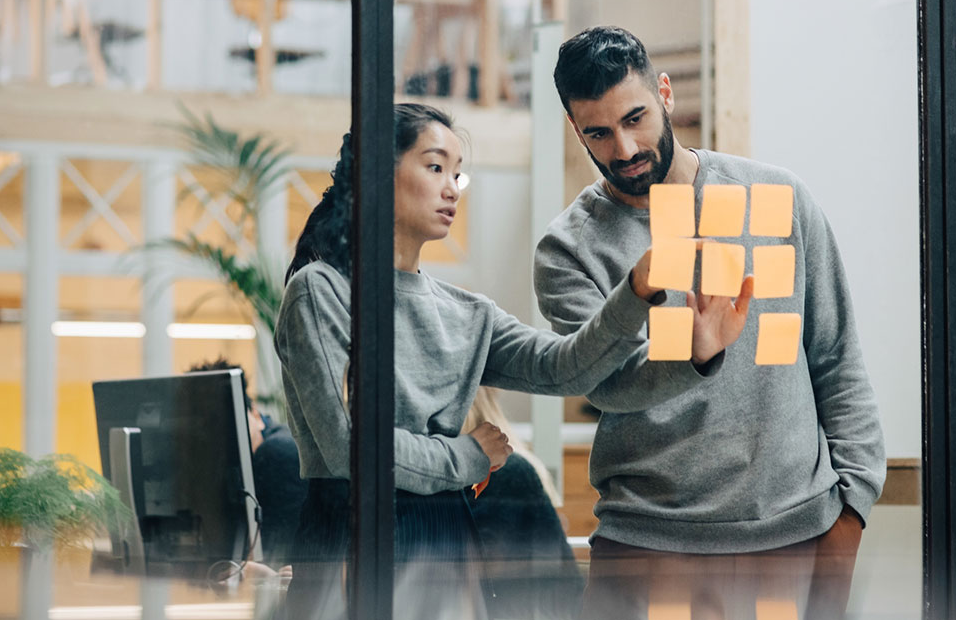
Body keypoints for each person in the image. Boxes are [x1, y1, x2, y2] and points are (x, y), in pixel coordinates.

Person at [273, 102, 753, 569]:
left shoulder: (466, 312)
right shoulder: (321, 291)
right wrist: (467, 456)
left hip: (446, 541)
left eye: (457, 173)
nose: (452, 188)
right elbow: (349, 449)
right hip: (348, 541)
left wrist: (641, 294)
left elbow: (564, 367)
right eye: (435, 167)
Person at [534, 26, 886, 615]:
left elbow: (836, 358)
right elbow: (606, 386)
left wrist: (851, 515)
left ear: (665, 93)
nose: (623, 149)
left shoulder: (776, 198)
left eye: (636, 118)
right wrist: (694, 358)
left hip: (797, 536)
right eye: (598, 132)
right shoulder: (568, 249)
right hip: (647, 545)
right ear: (576, 129)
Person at [186, 358, 307, 567]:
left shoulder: (278, 453)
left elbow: (273, 557)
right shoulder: (233, 468)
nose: (224, 434)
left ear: (256, 416)